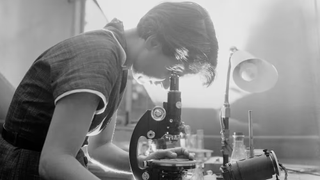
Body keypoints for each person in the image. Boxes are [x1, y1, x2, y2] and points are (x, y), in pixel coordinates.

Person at [0, 1, 218, 180]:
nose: (163, 83)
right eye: (172, 71)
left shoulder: (119, 60)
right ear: (154, 43)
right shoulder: (99, 59)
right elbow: (54, 161)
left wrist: (147, 163)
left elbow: (100, 148)